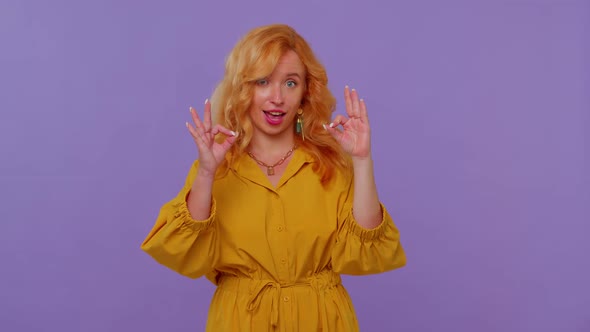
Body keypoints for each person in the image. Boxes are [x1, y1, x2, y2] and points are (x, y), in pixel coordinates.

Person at [141, 23, 406, 331]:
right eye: (263, 81)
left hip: (321, 319)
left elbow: (367, 251)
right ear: (243, 87)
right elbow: (185, 252)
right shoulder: (217, 166)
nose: (277, 97)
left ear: (306, 92)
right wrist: (206, 172)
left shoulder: (331, 163)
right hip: (242, 321)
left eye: (290, 83)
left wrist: (361, 161)